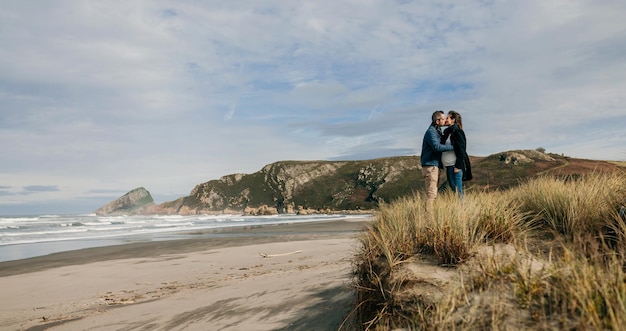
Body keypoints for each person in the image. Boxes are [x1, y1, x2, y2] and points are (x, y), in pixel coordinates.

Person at [421, 110, 454, 209]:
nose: (445, 121)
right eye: (443, 119)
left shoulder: (436, 131)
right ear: (437, 121)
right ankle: (429, 217)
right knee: (432, 194)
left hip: (433, 165)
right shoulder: (431, 132)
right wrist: (453, 147)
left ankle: (428, 214)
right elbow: (437, 147)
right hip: (431, 166)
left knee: (432, 193)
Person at [441, 110, 472, 197]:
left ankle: (462, 208)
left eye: (447, 118)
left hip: (454, 165)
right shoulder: (448, 133)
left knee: (458, 191)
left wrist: (458, 166)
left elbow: (462, 149)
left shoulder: (457, 131)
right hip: (448, 165)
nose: (446, 120)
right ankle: (459, 207)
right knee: (453, 189)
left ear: (453, 120)